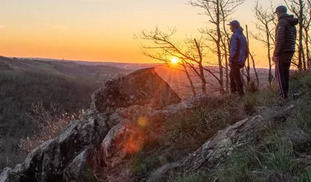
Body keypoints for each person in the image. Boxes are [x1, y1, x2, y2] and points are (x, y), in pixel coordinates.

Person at [272, 5, 298, 99]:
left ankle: (283, 96)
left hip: (282, 51)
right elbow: (293, 38)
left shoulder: (282, 23)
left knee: (279, 74)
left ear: (279, 13)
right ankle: (285, 93)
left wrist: (275, 54)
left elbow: (280, 40)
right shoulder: (291, 24)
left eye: (277, 13)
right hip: (290, 50)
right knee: (285, 73)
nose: (277, 15)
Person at [229, 20, 248, 96]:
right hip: (241, 60)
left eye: (230, 26)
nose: (230, 28)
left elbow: (233, 48)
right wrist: (244, 59)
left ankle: (240, 94)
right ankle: (234, 93)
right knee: (232, 75)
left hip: (235, 60)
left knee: (236, 77)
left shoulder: (235, 36)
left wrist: (231, 59)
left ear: (234, 27)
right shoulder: (242, 36)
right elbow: (246, 49)